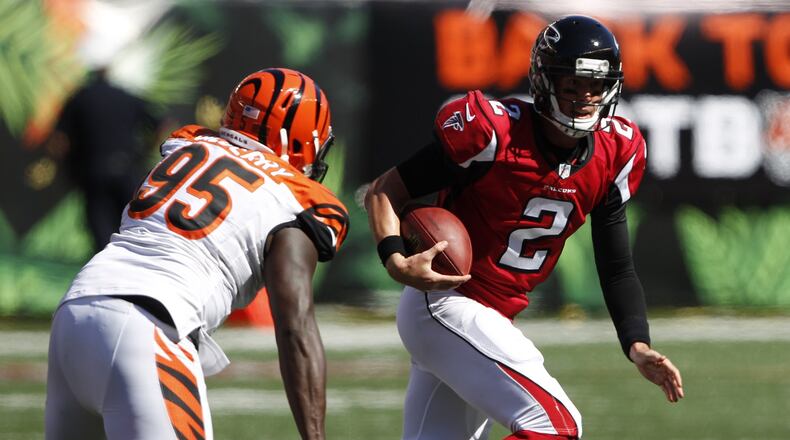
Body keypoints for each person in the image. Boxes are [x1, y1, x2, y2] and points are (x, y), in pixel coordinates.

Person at [365, 15, 683, 440]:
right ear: (544, 81)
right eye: (571, 85)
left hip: (488, 316)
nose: (585, 98)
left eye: (595, 86)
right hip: (448, 301)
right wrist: (394, 259)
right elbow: (386, 190)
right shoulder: (495, 133)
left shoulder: (615, 152)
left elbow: (617, 265)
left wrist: (636, 343)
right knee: (555, 426)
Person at [45, 68, 348, 440]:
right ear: (300, 141)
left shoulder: (188, 147)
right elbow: (295, 326)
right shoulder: (290, 198)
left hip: (74, 311)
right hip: (148, 323)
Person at [54, 67, 164, 251]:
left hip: (93, 172)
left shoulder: (80, 98)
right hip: (126, 169)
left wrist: (70, 167)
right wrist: (146, 151)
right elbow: (161, 125)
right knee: (134, 228)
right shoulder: (126, 97)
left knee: (101, 234)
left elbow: (59, 141)